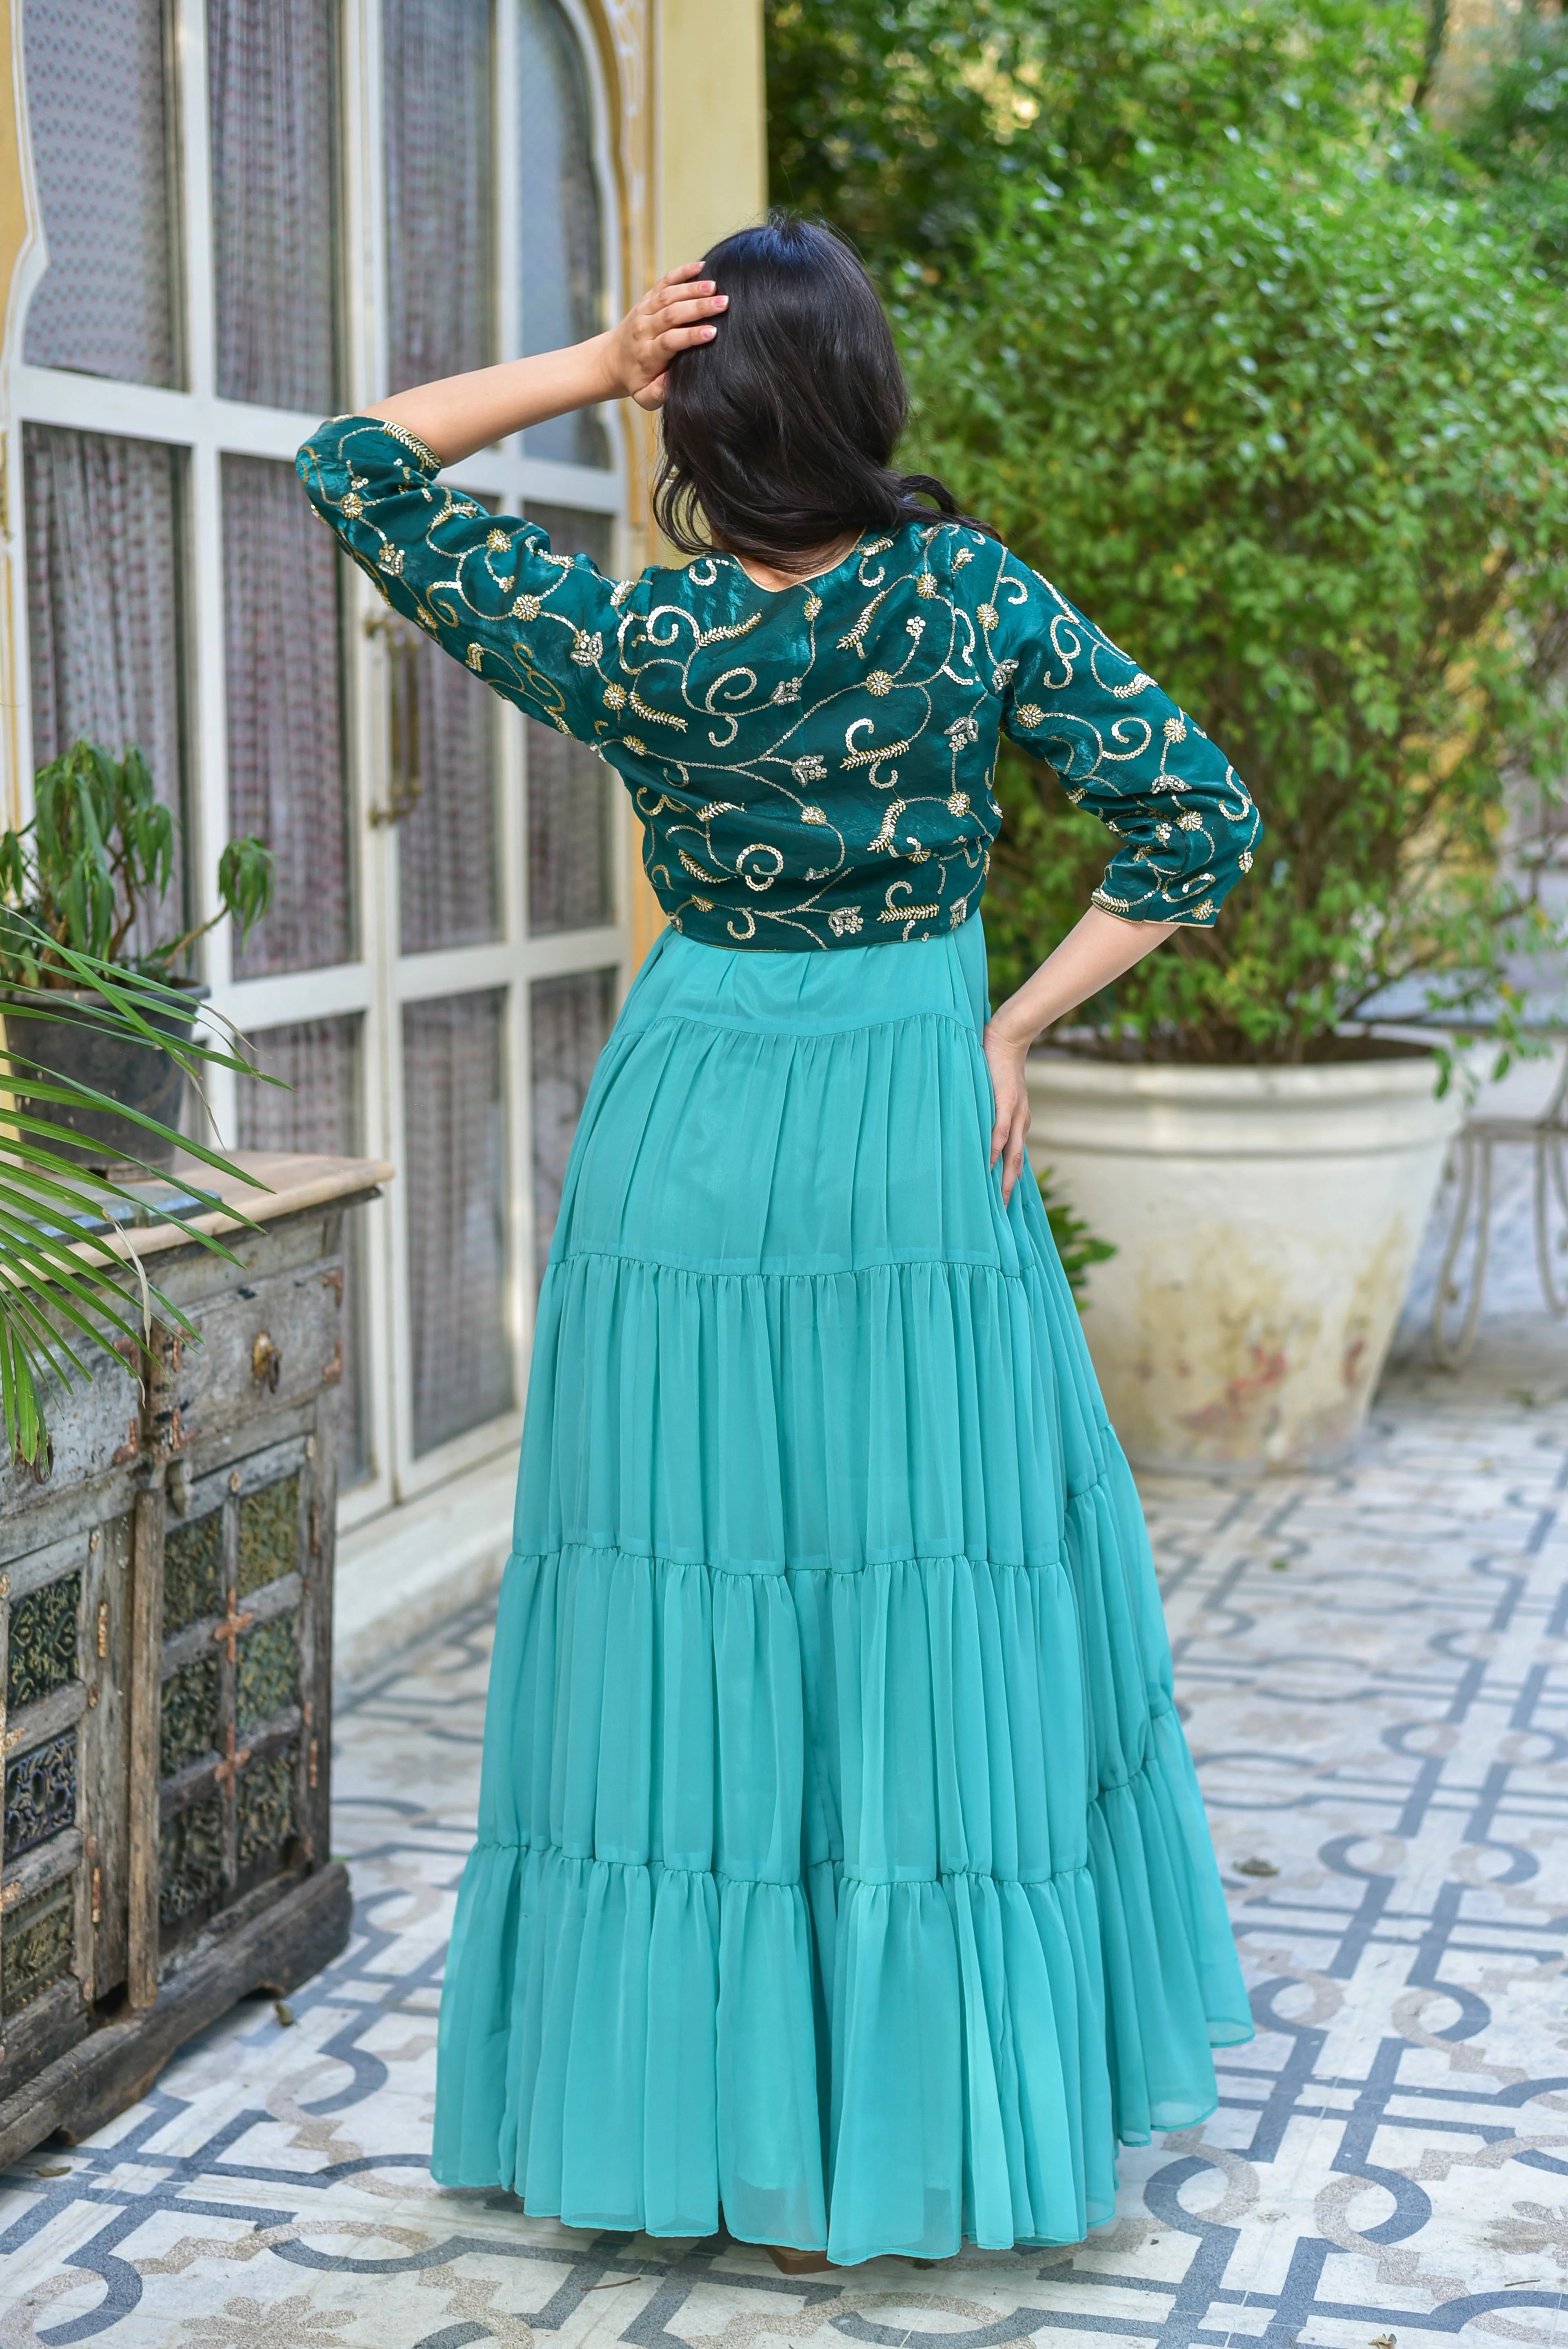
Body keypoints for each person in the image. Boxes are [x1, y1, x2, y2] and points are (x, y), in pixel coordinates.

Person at [298, 212, 1259, 2271]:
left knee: (688, 1603)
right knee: (924, 1590)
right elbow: (1196, 814)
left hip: (689, 1141)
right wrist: (1009, 1016)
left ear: (703, 415)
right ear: (867, 397)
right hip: (911, 1122)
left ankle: (696, 2121)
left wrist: (581, 363)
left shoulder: (643, 639)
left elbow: (355, 464)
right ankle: (928, 2105)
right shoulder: (965, 599)